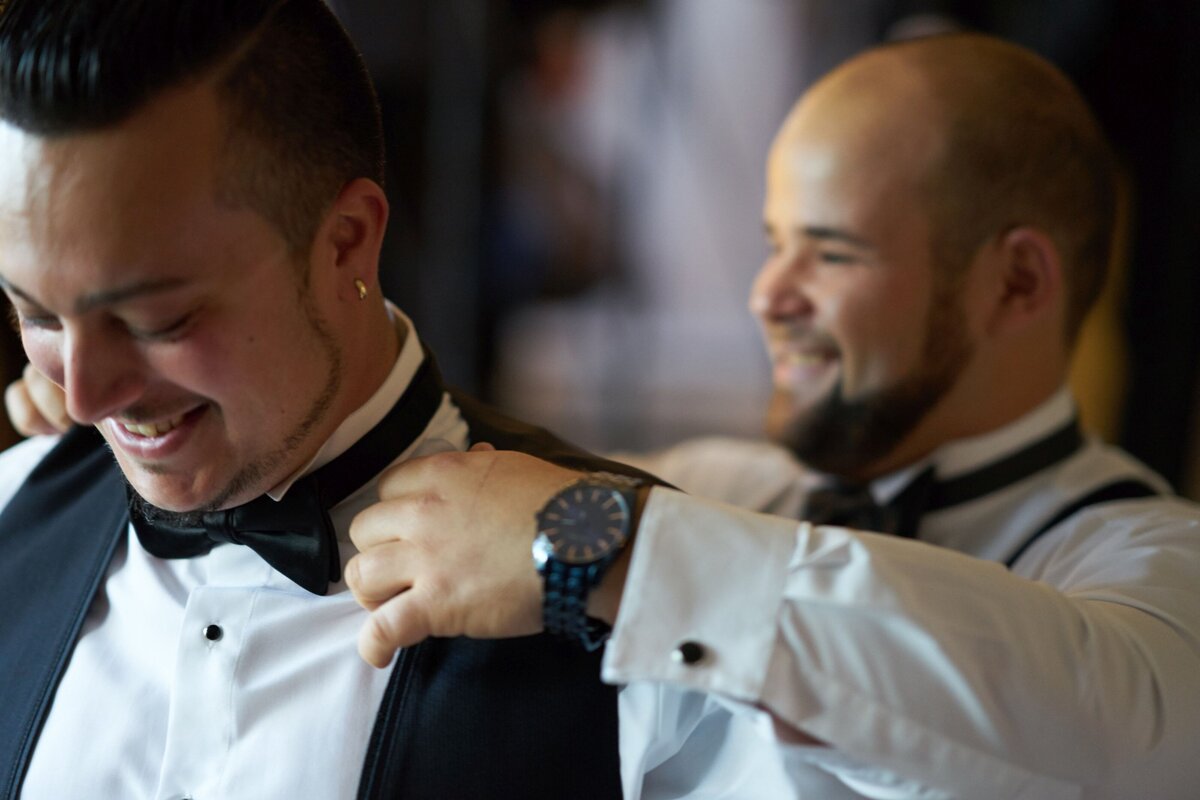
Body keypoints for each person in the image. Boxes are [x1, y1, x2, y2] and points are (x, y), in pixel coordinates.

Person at [10, 30, 1200, 800]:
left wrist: (601, 543)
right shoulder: (725, 488)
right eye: (772, 241)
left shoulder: (1154, 561)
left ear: (1020, 283)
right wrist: (115, 387)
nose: (764, 295)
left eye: (829, 252)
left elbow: (1116, 736)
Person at [0, 1, 662, 798]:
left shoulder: (640, 606)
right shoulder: (15, 506)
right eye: (37, 312)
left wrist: (634, 561)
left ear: (346, 239)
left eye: (157, 319)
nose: (82, 393)